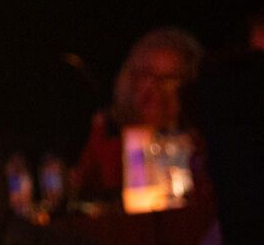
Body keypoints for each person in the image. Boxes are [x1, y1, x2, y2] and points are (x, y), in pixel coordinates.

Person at [70, 27, 203, 201]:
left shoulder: (202, 142)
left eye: (166, 79)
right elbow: (78, 192)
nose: (151, 87)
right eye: (144, 75)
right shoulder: (106, 135)